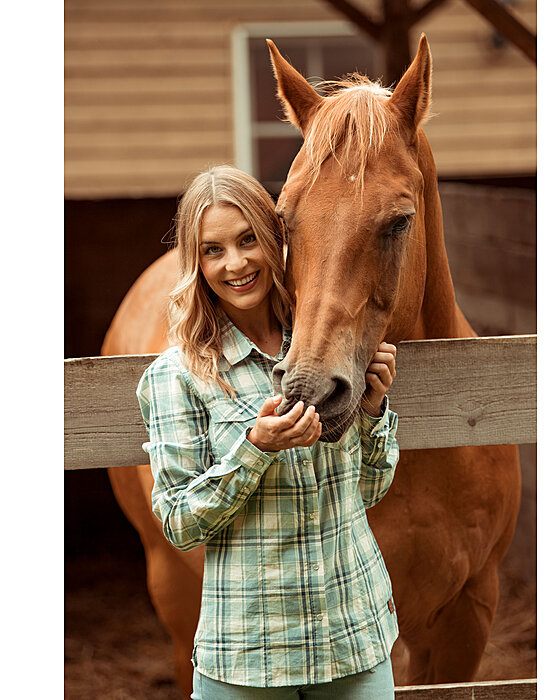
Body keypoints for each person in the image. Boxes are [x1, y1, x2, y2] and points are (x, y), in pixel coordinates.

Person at [137, 165, 401, 699]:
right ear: (196, 262)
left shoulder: (328, 354)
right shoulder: (178, 374)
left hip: (353, 639)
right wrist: (254, 449)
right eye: (213, 250)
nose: (235, 264)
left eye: (248, 240)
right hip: (248, 656)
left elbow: (367, 494)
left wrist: (372, 412)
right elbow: (177, 522)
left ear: (277, 239)